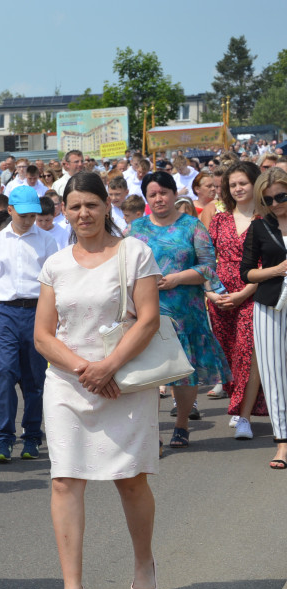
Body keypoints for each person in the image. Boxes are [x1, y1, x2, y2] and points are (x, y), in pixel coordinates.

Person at [34, 171, 162, 589]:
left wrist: (108, 366)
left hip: (125, 379)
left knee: (130, 480)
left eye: (91, 204)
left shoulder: (135, 252)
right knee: (65, 481)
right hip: (69, 385)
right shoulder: (55, 264)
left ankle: (144, 562)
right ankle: (72, 588)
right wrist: (85, 370)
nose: (83, 214)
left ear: (107, 206)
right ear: (63, 211)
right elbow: (43, 335)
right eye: (74, 206)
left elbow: (148, 319)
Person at [126, 172, 230, 448]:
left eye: (163, 192)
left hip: (187, 313)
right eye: (153, 194)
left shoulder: (192, 226)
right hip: (147, 313)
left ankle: (181, 425)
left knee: (185, 373)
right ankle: (151, 433)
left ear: (174, 194)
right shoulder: (136, 230)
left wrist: (177, 278)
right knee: (149, 375)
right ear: (146, 199)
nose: (159, 199)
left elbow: (209, 266)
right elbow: (123, 268)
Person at [0, 185, 59, 462]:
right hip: (5, 312)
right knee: (3, 372)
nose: (28, 220)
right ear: (10, 210)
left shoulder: (48, 240)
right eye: (23, 215)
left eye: (33, 215)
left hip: (38, 311)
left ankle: (32, 436)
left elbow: (54, 281)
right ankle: (3, 438)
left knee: (35, 377)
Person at [205, 162, 266, 436]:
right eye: (233, 185)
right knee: (229, 355)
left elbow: (268, 264)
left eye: (243, 182)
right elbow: (206, 259)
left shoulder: (266, 220)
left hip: (252, 294)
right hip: (219, 297)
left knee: (247, 352)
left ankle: (244, 417)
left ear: (256, 183)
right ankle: (239, 401)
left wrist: (243, 293)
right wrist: (209, 292)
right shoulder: (219, 219)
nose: (238, 188)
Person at [242, 168, 287, 468]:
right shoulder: (259, 227)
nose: (275, 203)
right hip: (270, 304)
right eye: (268, 199)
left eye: (281, 196)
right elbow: (246, 271)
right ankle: (282, 443)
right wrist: (276, 270)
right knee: (273, 375)